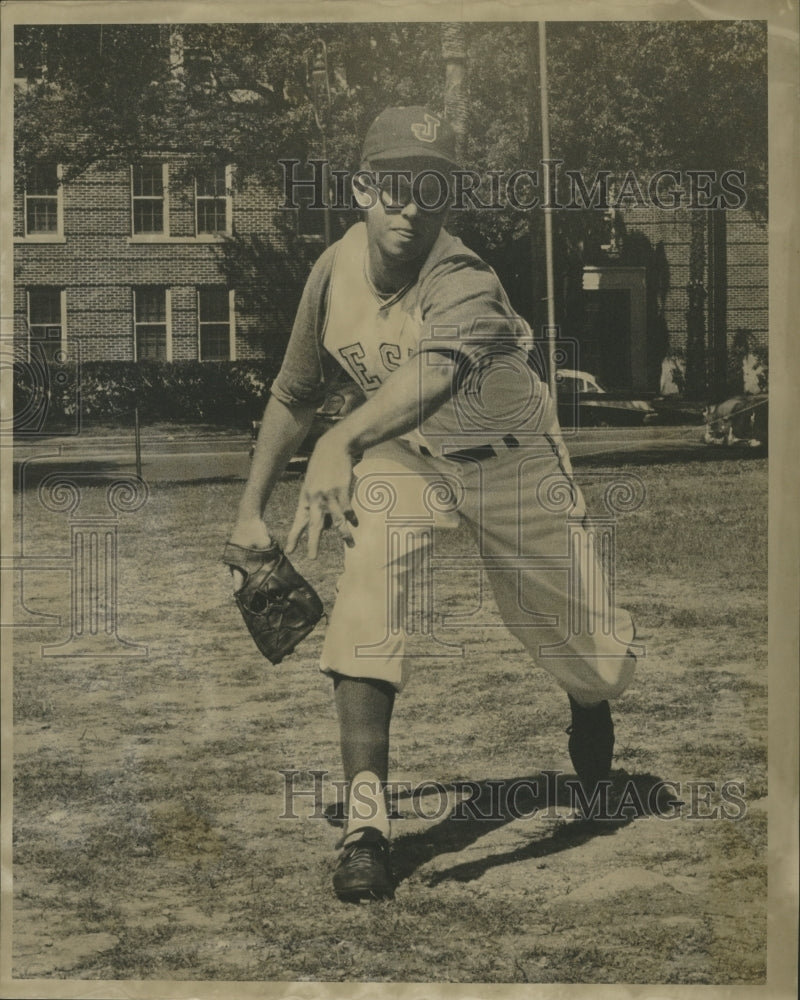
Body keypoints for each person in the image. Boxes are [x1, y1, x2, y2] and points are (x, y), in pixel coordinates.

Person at [228, 107, 637, 902]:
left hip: (514, 466)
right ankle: (368, 826)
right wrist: (250, 510)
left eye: (432, 189)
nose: (410, 205)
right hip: (409, 458)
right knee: (368, 584)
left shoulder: (465, 277)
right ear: (362, 188)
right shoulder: (333, 271)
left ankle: (586, 701)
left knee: (592, 656)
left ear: (448, 202)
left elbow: (436, 375)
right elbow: (294, 391)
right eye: (393, 185)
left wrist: (343, 440)